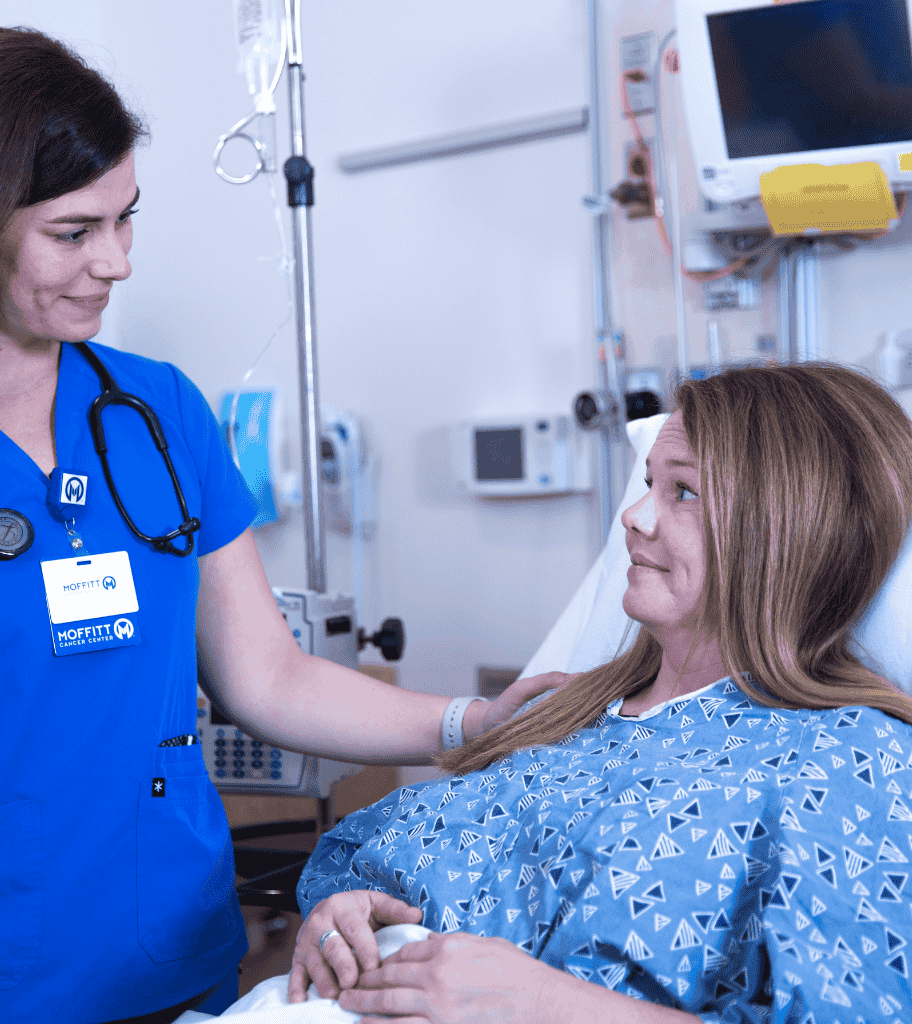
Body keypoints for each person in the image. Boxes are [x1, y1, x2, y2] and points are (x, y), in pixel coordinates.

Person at [0, 27, 562, 1024]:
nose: (114, 263)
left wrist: (463, 724)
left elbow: (269, 676)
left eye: (126, 220)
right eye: (73, 233)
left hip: (176, 957)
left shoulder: (159, 413)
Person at [291, 362, 912, 1023]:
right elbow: (372, 866)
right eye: (649, 484)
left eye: (685, 493)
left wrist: (543, 1005)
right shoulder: (564, 710)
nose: (635, 518)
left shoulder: (847, 756)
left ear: (785, 531)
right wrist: (348, 916)